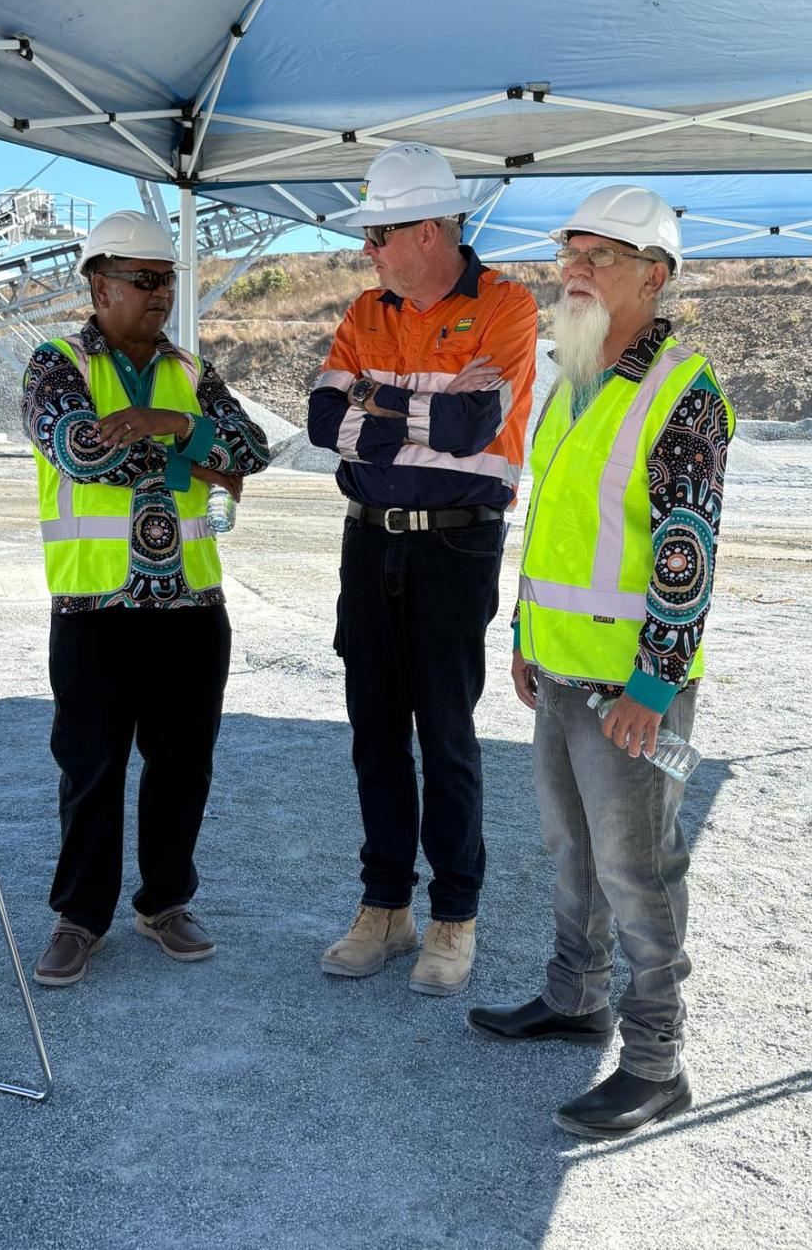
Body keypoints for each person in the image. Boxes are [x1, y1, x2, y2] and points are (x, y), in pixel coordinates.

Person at [467, 185, 734, 1137]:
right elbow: (554, 529)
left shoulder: (684, 390)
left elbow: (685, 550)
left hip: (631, 688)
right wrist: (525, 637)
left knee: (640, 870)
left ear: (654, 278)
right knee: (571, 852)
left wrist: (654, 685)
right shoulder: (574, 377)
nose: (574, 271)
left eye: (601, 257)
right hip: (561, 667)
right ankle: (575, 998)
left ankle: (658, 1062)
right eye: (570, 256)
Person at [308, 142, 538, 996]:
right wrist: (413, 410)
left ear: (434, 230)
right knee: (373, 728)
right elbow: (319, 418)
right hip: (369, 538)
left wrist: (379, 400)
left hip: (455, 543)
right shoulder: (367, 310)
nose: (368, 250)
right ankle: (385, 906)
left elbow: (475, 425)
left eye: (381, 233)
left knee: (444, 732)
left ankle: (454, 915)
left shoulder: (508, 306)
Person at [23, 209, 270, 986]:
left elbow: (253, 450)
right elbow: (82, 449)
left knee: (183, 764)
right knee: (91, 768)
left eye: (167, 279)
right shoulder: (54, 364)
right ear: (99, 285)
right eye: (145, 279)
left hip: (192, 611)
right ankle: (79, 916)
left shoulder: (189, 374)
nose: (162, 292)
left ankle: (165, 901)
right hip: (96, 609)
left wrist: (163, 422)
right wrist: (195, 455)